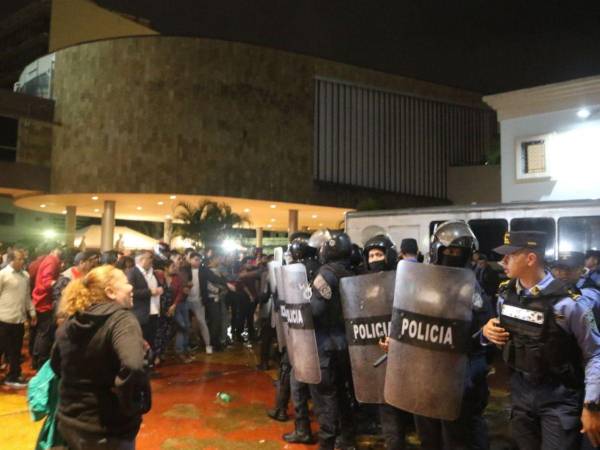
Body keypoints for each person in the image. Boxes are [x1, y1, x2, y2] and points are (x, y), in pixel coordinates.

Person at [483, 231, 600, 449]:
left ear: (530, 259)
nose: (503, 261)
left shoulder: (569, 303)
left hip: (559, 397)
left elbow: (594, 353)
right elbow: (503, 335)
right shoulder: (505, 295)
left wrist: (591, 405)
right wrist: (486, 332)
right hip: (520, 393)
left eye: (510, 255)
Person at [51, 265, 151, 450]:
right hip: (108, 430)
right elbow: (133, 365)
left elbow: (56, 364)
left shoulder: (72, 321)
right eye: (126, 283)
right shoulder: (121, 319)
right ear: (110, 292)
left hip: (70, 422)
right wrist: (129, 402)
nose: (131, 288)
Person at [414, 220, 492, 450]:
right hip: (427, 375)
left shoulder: (473, 291)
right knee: (429, 437)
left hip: (460, 377)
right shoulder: (423, 285)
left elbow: (484, 339)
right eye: (448, 250)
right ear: (437, 251)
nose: (453, 255)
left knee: (459, 439)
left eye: (459, 251)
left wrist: (468, 375)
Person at [309, 230, 356, 450]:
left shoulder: (325, 274)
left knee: (326, 397)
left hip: (326, 344)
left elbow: (316, 310)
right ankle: (347, 439)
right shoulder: (353, 272)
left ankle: (327, 444)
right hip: (348, 345)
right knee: (344, 394)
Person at [363, 235, 411, 450]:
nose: (374, 259)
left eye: (379, 254)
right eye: (371, 255)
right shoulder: (364, 284)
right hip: (378, 354)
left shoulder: (403, 281)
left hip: (404, 355)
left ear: (389, 256)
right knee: (386, 405)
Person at [0, 249, 36, 387]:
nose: (23, 261)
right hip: (3, 319)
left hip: (19, 320)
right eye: (20, 259)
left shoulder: (25, 276)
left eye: (23, 259)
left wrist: (32, 312)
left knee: (16, 350)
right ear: (11, 260)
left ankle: (13, 376)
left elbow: (27, 297)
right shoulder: (3, 275)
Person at [31, 244, 64, 369]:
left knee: (40, 333)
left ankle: (36, 360)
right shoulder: (52, 260)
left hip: (40, 300)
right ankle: (40, 362)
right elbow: (46, 281)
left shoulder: (49, 259)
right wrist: (60, 284)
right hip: (45, 301)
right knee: (43, 334)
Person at [127, 251, 163, 356]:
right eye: (149, 258)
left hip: (154, 311)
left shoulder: (153, 273)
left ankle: (149, 364)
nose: (152, 260)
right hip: (141, 313)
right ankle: (140, 366)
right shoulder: (132, 272)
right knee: (141, 341)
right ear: (141, 260)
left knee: (151, 340)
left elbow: (157, 287)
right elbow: (131, 291)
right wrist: (150, 292)